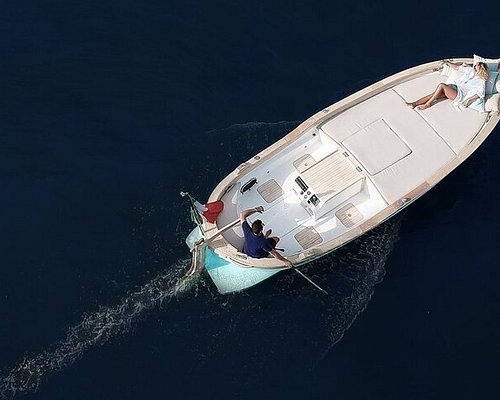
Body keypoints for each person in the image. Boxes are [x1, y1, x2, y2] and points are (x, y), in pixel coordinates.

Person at [407, 61, 489, 110]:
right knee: (434, 94)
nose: (473, 68)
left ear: (480, 71)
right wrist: (447, 63)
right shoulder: (470, 70)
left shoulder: (481, 82)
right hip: (454, 87)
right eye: (474, 66)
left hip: (458, 94)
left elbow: (480, 94)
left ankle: (427, 104)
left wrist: (468, 100)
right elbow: (457, 68)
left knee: (441, 85)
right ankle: (414, 104)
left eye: (475, 68)